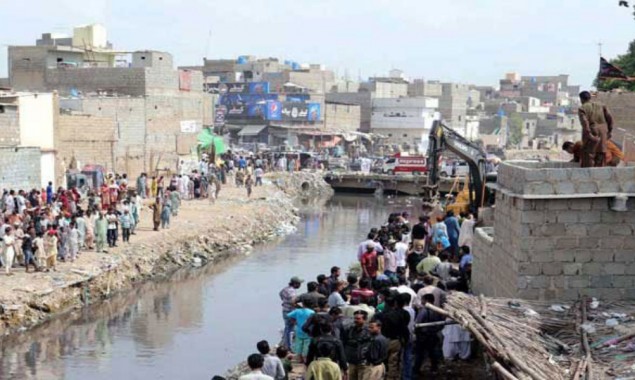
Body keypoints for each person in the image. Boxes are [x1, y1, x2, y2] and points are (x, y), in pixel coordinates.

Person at [374, 295, 410, 380]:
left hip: (384, 340)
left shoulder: (382, 315)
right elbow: (404, 328)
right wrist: (405, 340)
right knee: (393, 363)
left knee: (382, 361)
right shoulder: (402, 314)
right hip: (395, 341)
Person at [578, 90, 613, 168]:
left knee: (589, 154)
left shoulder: (582, 108)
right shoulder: (601, 105)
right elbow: (609, 118)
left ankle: (588, 176)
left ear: (581, 99)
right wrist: (610, 131)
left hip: (592, 131)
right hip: (603, 132)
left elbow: (584, 122)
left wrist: (589, 134)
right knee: (601, 153)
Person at [413, 294, 444, 376]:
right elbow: (442, 323)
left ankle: (416, 370)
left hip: (423, 336)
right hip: (433, 335)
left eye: (422, 300)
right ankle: (434, 369)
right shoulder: (438, 310)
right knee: (433, 353)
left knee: (419, 354)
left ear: (426, 300)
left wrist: (416, 332)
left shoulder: (423, 311)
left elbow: (417, 323)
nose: (421, 302)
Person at [341, 310, 371, 380]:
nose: (355, 320)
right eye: (355, 318)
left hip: (363, 362)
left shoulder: (368, 331)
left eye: (358, 319)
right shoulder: (350, 329)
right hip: (351, 361)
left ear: (365, 319)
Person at [287, 298, 316, 363]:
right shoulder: (312, 312)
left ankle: (300, 359)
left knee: (299, 346)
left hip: (299, 330)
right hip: (308, 331)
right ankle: (305, 359)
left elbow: (288, 315)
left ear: (303, 304)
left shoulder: (297, 311)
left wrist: (294, 321)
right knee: (306, 346)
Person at [279, 276, 303, 349]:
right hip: (290, 311)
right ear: (295, 284)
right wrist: (301, 308)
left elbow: (280, 295)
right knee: (290, 329)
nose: (300, 285)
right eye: (299, 283)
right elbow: (293, 302)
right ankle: (288, 346)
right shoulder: (292, 291)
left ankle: (285, 344)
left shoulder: (284, 289)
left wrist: (285, 302)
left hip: (285, 310)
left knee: (287, 328)